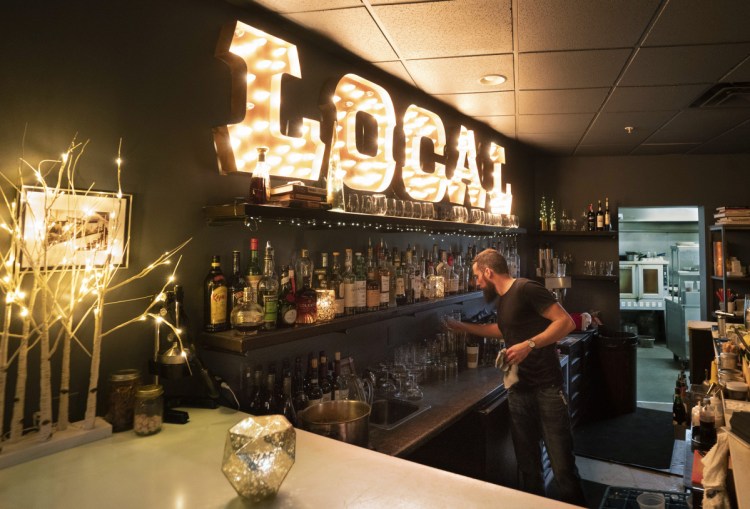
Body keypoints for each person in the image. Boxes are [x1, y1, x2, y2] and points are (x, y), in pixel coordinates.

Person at [446, 248, 586, 505]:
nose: (476, 282)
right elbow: (503, 330)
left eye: (477, 276)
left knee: (563, 470)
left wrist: (529, 345)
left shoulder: (525, 289)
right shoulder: (504, 299)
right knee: (528, 468)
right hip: (518, 390)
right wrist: (463, 327)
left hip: (546, 389)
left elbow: (566, 322)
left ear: (489, 272)